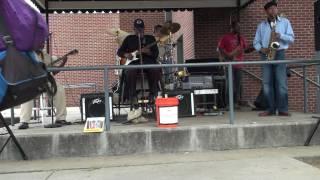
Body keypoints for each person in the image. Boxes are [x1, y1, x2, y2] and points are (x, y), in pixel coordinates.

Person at [253, 1, 294, 116]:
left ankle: (283, 109)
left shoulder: (285, 22)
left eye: (275, 8)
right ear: (266, 11)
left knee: (281, 82)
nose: (273, 10)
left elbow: (291, 39)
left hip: (280, 53)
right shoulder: (261, 26)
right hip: (266, 54)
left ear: (277, 9)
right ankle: (270, 108)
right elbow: (256, 42)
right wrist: (262, 49)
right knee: (266, 83)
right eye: (270, 9)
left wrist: (280, 36)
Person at [117, 19, 161, 121]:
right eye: (137, 29)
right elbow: (120, 52)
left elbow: (156, 54)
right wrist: (126, 54)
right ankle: (133, 97)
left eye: (141, 29)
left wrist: (149, 52)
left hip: (148, 61)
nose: (139, 30)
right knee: (130, 70)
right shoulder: (129, 38)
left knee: (155, 69)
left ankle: (152, 95)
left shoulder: (150, 38)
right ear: (134, 29)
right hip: (134, 62)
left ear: (144, 29)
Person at [18, 44, 70, 129]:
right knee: (26, 94)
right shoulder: (26, 53)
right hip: (30, 81)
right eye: (40, 43)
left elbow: (53, 72)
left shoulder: (44, 54)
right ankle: (24, 121)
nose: (42, 45)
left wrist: (63, 62)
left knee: (59, 89)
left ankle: (61, 118)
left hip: (45, 80)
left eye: (42, 44)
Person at [217, 21, 248, 109]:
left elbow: (246, 49)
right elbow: (220, 48)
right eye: (237, 27)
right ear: (233, 27)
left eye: (240, 27)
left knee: (238, 85)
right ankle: (228, 104)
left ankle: (235, 103)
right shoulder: (226, 37)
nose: (239, 28)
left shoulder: (241, 38)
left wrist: (255, 46)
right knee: (229, 85)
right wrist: (228, 56)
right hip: (229, 65)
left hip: (239, 65)